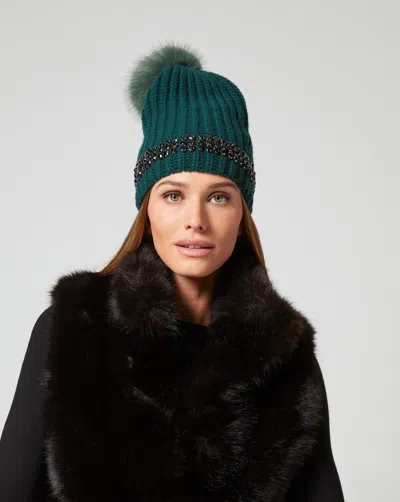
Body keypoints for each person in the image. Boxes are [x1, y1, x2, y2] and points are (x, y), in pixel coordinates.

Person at [0, 41, 345, 501]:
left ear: (241, 213)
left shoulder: (284, 356)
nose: (195, 220)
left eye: (219, 196)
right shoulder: (74, 329)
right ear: (148, 209)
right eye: (173, 195)